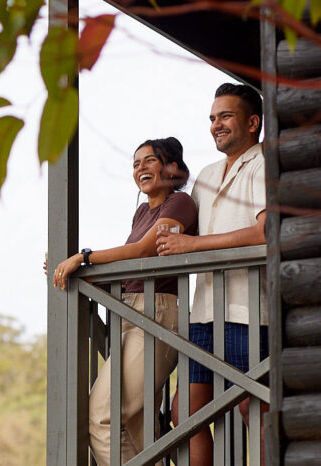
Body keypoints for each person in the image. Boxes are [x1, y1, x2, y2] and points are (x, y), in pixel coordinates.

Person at [49, 137, 197, 466]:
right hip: (128, 311)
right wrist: (72, 263)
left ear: (172, 168)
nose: (140, 168)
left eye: (149, 160)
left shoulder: (181, 202)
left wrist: (84, 256)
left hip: (157, 313)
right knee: (134, 426)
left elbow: (144, 250)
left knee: (103, 418)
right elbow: (129, 256)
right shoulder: (142, 211)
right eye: (135, 163)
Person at [160, 83, 268, 466]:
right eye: (211, 118)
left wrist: (191, 247)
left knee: (252, 407)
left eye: (225, 116)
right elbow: (179, 232)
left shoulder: (265, 162)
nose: (216, 125)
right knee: (185, 413)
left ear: (253, 122)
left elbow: (263, 232)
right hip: (203, 311)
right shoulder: (205, 175)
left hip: (248, 310)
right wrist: (85, 259)